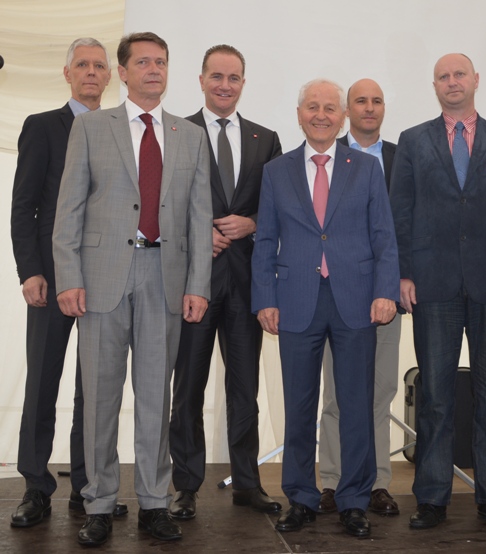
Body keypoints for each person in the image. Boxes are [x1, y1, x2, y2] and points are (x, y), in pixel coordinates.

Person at [52, 32, 212, 546]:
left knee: (155, 398)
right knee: (100, 397)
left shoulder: (190, 135)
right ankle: (99, 503)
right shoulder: (92, 128)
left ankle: (154, 502)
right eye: (143, 62)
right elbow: (69, 209)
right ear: (123, 73)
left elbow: (200, 216)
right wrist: (68, 277)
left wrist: (199, 285)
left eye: (160, 61)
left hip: (165, 277)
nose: (153, 69)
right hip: (101, 278)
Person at [390, 53, 486, 530]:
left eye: (459, 74)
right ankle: (432, 497)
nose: (452, 82)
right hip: (432, 285)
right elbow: (400, 213)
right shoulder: (413, 140)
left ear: (476, 80)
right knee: (435, 396)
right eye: (443, 76)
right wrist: (402, 273)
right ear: (434, 86)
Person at [251, 79, 399, 538]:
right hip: (296, 301)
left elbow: (384, 236)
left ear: (343, 117)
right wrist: (265, 298)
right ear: (299, 115)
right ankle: (300, 497)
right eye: (312, 107)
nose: (321, 115)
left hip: (357, 300)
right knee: (299, 406)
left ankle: (354, 500)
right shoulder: (276, 171)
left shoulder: (367, 168)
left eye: (330, 108)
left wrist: (385, 291)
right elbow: (265, 240)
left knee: (356, 404)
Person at [9, 37, 127, 528]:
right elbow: (24, 205)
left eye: (100, 65)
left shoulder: (121, 129)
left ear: (110, 75)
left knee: (93, 389)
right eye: (83, 65)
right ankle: (36, 487)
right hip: (52, 277)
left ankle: (88, 486)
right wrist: (30, 271)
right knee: (43, 381)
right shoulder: (42, 126)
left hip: (106, 278)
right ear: (67, 73)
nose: (92, 72)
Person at [168, 44, 282, 521]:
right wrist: (199, 235)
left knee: (244, 390)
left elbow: (280, 209)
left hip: (246, 284)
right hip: (193, 284)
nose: (224, 85)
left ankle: (247, 484)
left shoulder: (265, 139)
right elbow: (161, 205)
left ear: (243, 83)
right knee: (187, 389)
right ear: (201, 80)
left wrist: (252, 224)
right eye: (216, 76)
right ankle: (185, 486)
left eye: (233, 77)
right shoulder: (175, 132)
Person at [317, 78, 401, 517]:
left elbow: (402, 228)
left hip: (384, 293)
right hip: (337, 293)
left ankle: (376, 483)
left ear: (384, 108)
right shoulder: (327, 156)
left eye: (377, 101)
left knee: (380, 391)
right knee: (336, 394)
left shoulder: (401, 158)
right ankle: (332, 481)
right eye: (360, 101)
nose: (370, 108)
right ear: (347, 111)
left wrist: (394, 285)